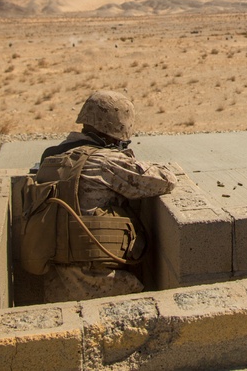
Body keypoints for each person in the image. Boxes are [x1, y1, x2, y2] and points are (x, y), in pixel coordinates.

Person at [19, 91, 177, 302]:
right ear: (120, 128)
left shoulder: (52, 158)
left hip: (55, 286)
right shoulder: (104, 161)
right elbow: (164, 180)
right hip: (100, 285)